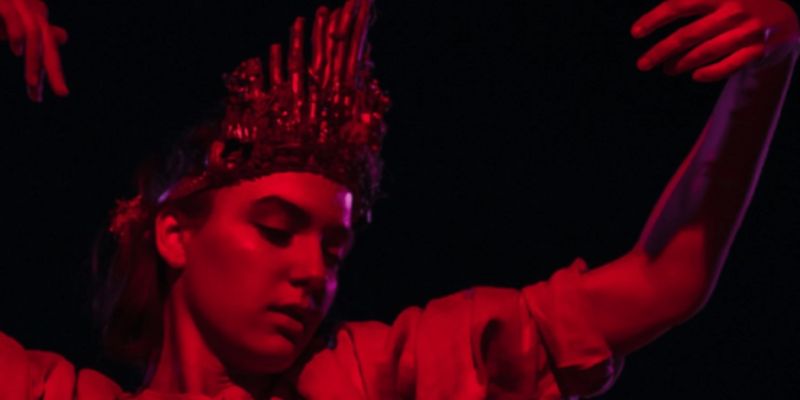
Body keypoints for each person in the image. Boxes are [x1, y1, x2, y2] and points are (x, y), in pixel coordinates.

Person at [1, 0, 798, 398]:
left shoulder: (380, 379)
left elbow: (663, 281)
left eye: (334, 249)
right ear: (176, 232)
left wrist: (769, 71)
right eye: (276, 230)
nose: (312, 273)